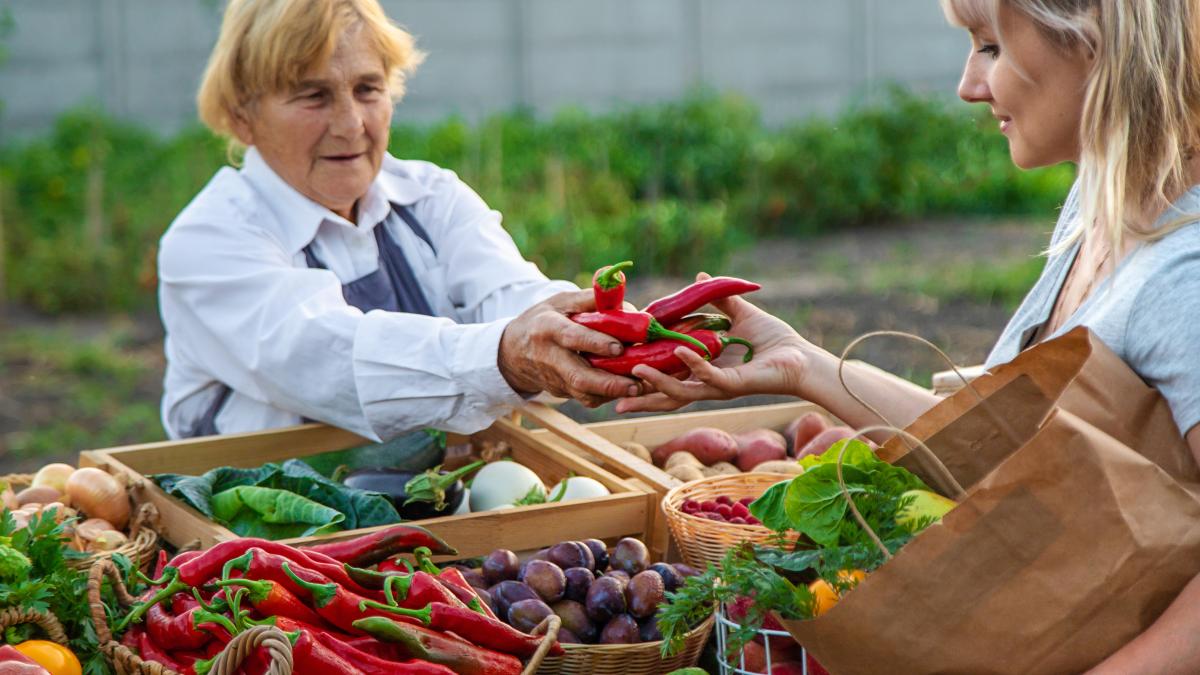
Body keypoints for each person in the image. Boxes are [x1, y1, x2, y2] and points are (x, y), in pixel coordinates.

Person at [617, 0, 1200, 670]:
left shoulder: (1184, 268)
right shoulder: (1099, 204)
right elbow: (1000, 450)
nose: (968, 85)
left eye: (990, 47)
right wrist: (803, 364)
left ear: (1093, 39)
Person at [158, 0, 637, 441]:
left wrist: (602, 339)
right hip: (255, 527)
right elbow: (332, 360)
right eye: (313, 96)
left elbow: (509, 293)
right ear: (243, 115)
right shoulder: (208, 240)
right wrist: (506, 355)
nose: (350, 124)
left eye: (367, 89)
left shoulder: (430, 198)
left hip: (435, 510)